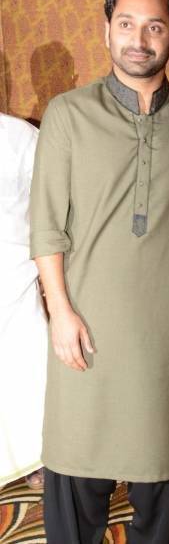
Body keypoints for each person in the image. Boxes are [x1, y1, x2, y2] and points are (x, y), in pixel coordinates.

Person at [29, 0, 169, 543]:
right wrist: (60, 312)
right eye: (126, 24)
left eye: (154, 27)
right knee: (75, 468)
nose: (138, 39)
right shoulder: (68, 113)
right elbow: (46, 224)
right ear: (107, 30)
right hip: (85, 326)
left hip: (163, 334)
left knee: (162, 475)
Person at [0, 113, 47, 490]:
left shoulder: (21, 136)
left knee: (27, 366)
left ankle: (37, 457)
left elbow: (48, 209)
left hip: (15, 274)